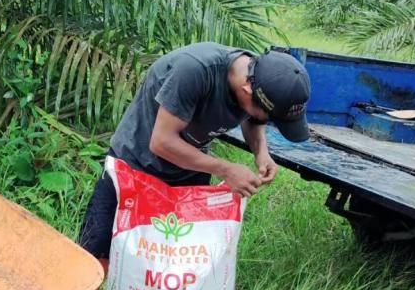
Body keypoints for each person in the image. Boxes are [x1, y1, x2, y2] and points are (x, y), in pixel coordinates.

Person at [78, 41, 311, 274]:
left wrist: (261, 153)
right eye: (269, 116)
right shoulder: (195, 71)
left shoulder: (257, 76)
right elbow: (161, 142)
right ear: (247, 90)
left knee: (179, 256)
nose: (266, 121)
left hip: (190, 167)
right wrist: (226, 170)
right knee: (98, 249)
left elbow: (255, 118)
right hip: (134, 163)